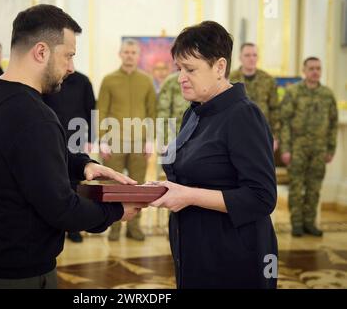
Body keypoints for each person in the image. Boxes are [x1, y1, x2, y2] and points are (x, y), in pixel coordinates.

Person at [0, 4, 143, 289]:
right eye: (68, 55)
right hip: (21, 272)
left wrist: (85, 164)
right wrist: (118, 211)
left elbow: (29, 155)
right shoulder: (34, 116)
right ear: (41, 51)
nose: (71, 67)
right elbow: (64, 210)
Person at [149, 21, 278, 289]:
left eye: (190, 69)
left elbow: (262, 197)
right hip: (196, 250)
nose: (181, 77)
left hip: (233, 255)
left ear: (220, 67)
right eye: (179, 68)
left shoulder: (244, 115)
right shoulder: (194, 112)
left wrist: (188, 195)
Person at [97, 39, 157, 241]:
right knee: (113, 187)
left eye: (133, 52)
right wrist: (102, 139)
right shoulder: (109, 80)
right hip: (114, 142)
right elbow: (101, 110)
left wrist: (150, 139)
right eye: (126, 52)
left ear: (138, 56)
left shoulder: (147, 81)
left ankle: (134, 228)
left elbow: (152, 112)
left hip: (139, 143)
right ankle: (114, 229)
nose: (130, 55)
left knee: (138, 188)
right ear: (120, 54)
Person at [280, 57, 338, 237]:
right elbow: (285, 122)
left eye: (318, 68)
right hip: (298, 148)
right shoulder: (293, 92)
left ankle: (310, 223)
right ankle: (296, 223)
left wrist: (330, 149)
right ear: (304, 70)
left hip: (319, 149)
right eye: (311, 68)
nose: (315, 72)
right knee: (296, 187)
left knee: (314, 188)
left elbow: (333, 124)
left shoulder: (327, 95)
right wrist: (286, 149)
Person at [43, 71, 96, 243]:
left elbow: (91, 110)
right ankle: (54, 224)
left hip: (77, 137)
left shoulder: (83, 81)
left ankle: (73, 227)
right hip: (51, 137)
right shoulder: (49, 80)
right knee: (52, 181)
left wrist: (91, 139)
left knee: (74, 182)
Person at [230, 43, 280, 150]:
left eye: (254, 55)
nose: (251, 58)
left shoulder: (268, 80)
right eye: (247, 55)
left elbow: (275, 110)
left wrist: (275, 137)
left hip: (262, 132)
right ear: (240, 58)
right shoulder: (230, 79)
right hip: (235, 132)